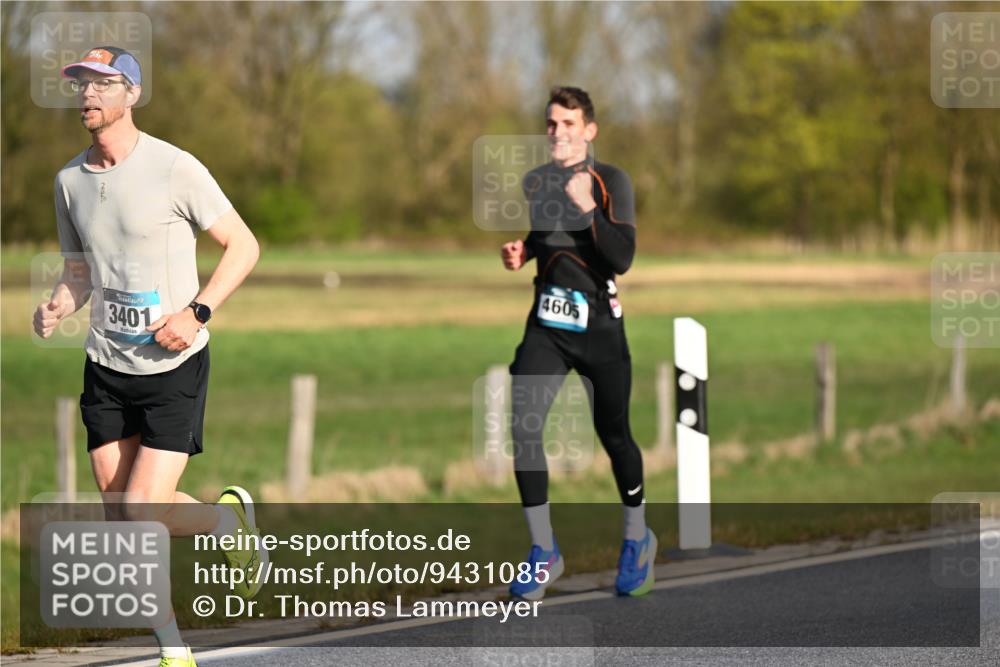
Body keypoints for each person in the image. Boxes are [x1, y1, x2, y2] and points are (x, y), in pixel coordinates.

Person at [32, 46, 265, 667]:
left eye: (103, 84)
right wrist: (56, 306)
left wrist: (197, 313)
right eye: (82, 84)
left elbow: (243, 246)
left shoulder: (175, 168)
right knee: (123, 521)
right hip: (106, 367)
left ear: (132, 94)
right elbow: (79, 271)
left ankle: (226, 525)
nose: (88, 94)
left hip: (172, 368)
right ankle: (174, 650)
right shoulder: (68, 182)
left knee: (141, 510)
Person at [500, 86, 656, 600]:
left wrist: (590, 207)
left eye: (568, 124)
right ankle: (544, 551)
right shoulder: (536, 181)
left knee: (615, 437)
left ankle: (637, 536)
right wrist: (524, 251)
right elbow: (549, 239)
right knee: (524, 424)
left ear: (589, 130)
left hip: (599, 327)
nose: (558, 132)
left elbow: (622, 257)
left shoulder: (611, 181)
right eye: (551, 123)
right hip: (547, 324)